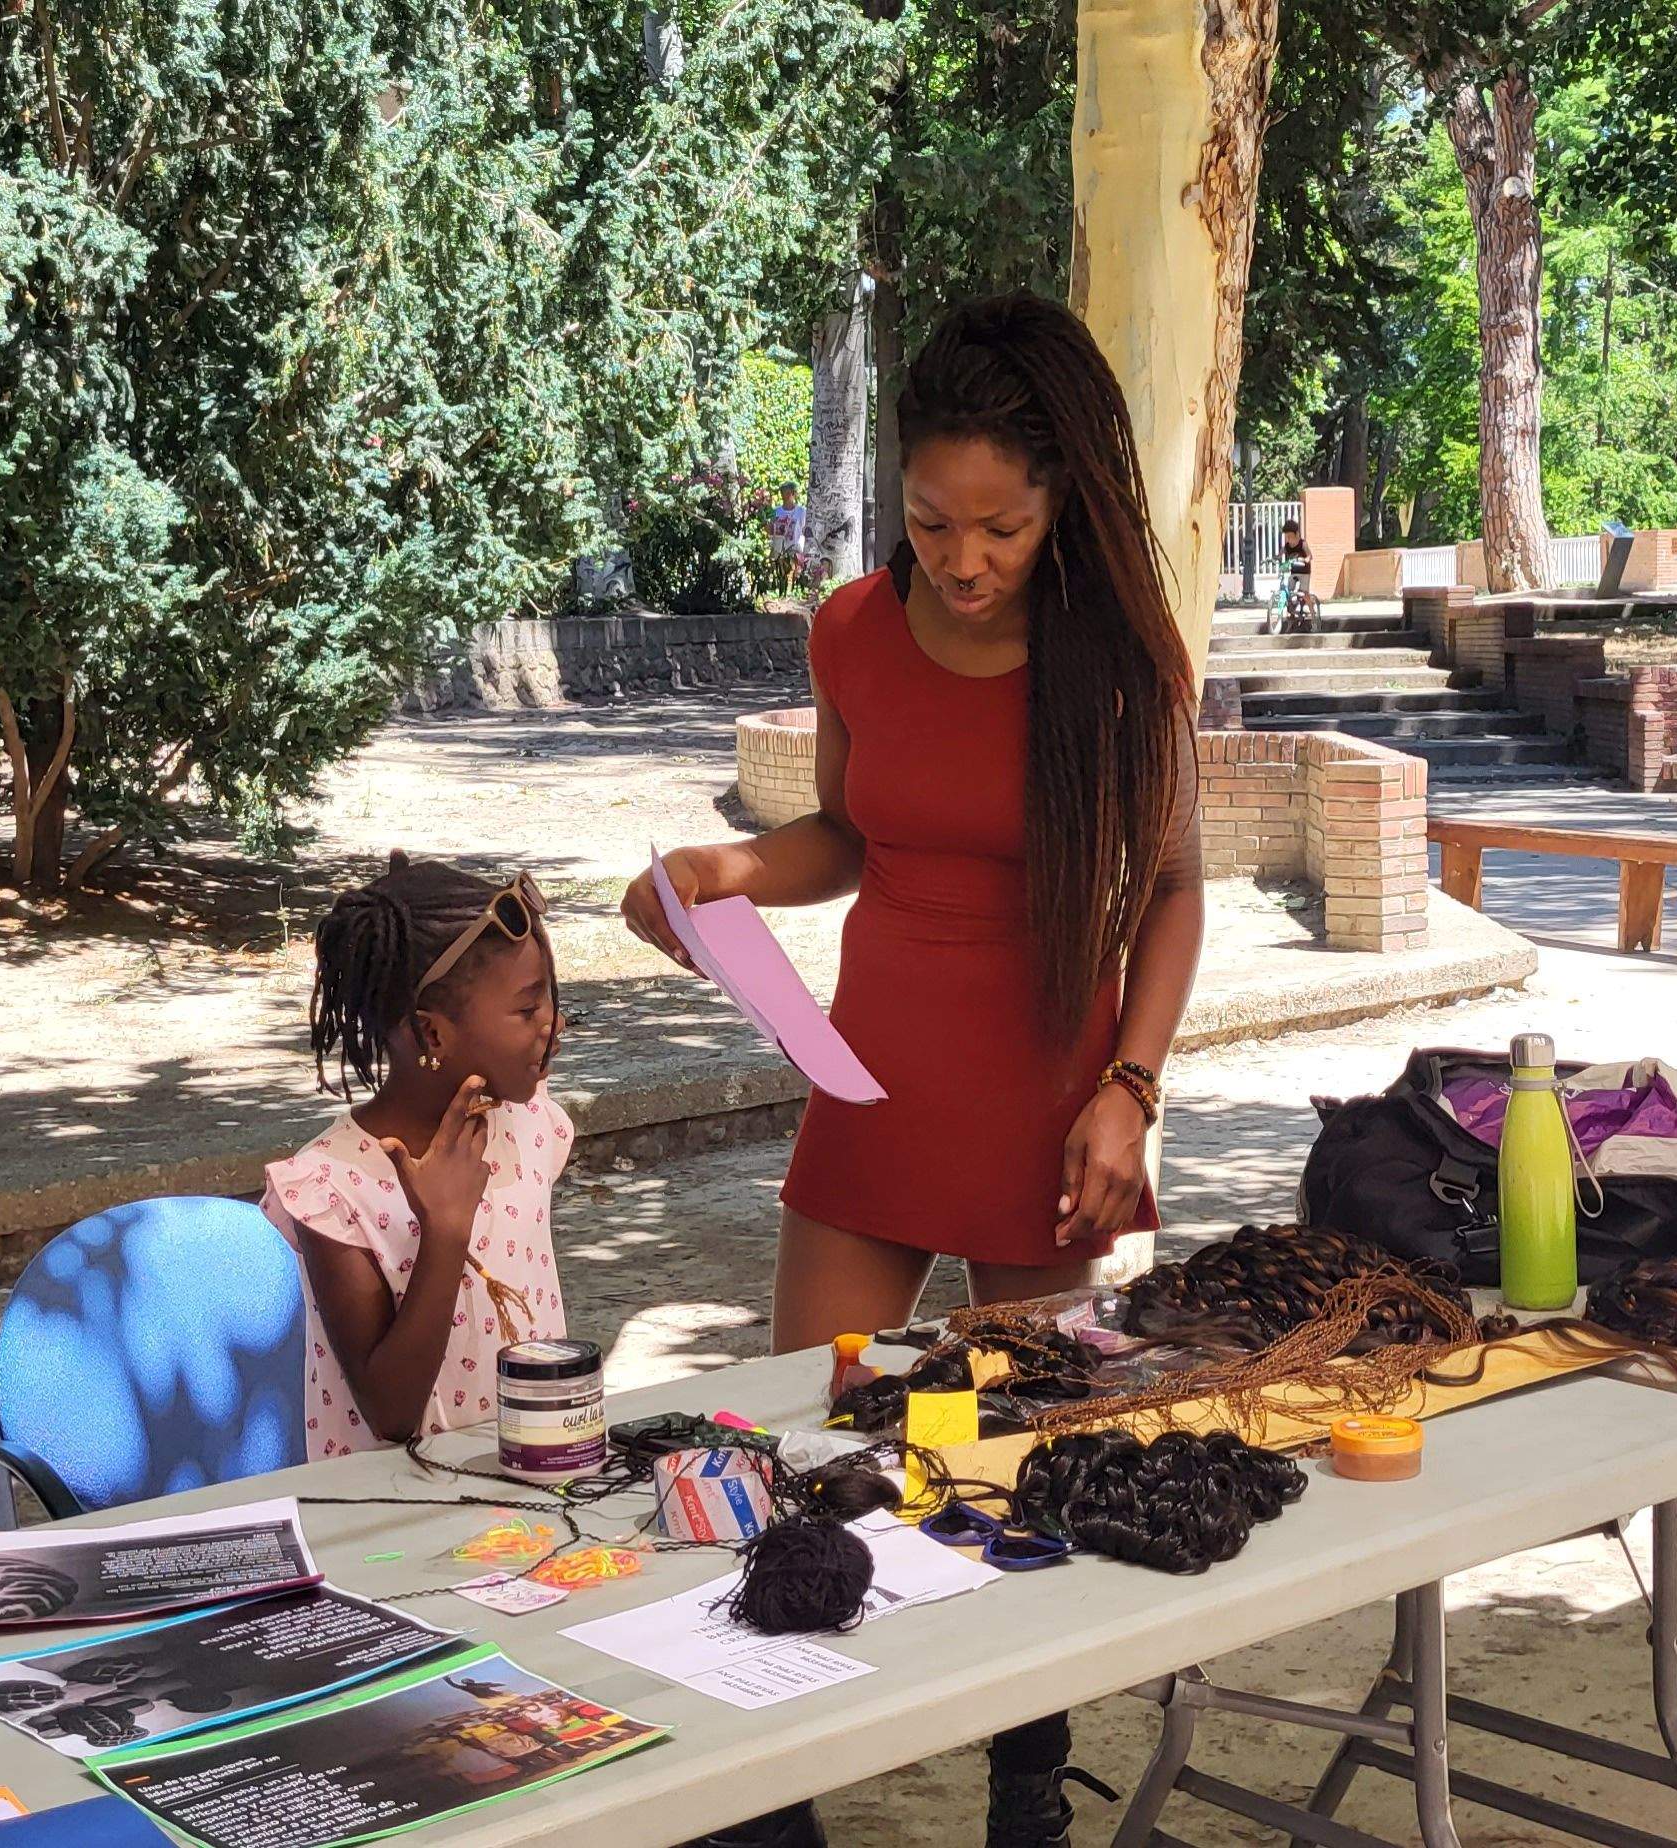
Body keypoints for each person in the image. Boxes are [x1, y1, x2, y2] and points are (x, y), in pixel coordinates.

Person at [624, 292, 1200, 1848]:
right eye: (935, 521)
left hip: (1055, 1126)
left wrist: (1129, 1091)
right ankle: (774, 1798)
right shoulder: (853, 632)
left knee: (1019, 1485)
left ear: (1065, 493)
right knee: (801, 1456)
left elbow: (1173, 894)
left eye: (1000, 525)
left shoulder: (1123, 666)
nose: (961, 559)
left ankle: (1030, 1786)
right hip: (871, 1099)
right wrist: (732, 870)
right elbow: (853, 840)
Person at [276, 852, 572, 1453]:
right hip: (395, 1520)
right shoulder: (334, 1188)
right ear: (432, 1034)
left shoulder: (528, 1124)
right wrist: (446, 1229)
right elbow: (391, 1410)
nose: (554, 1023)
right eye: (527, 1008)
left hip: (533, 1487)